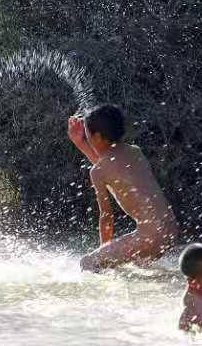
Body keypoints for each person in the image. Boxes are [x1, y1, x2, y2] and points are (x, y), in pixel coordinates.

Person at [68, 105, 179, 271]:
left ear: (97, 136)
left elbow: (106, 217)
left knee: (88, 263)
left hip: (149, 237)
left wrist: (103, 252)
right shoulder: (135, 152)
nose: (87, 137)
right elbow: (112, 171)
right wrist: (81, 143)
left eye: (87, 134)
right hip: (170, 231)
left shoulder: (98, 171)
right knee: (133, 267)